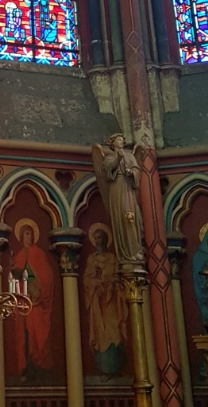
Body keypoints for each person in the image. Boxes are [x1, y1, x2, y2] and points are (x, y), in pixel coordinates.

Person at [10, 220, 55, 382]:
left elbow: (47, 278)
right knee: (25, 335)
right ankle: (27, 369)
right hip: (24, 302)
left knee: (38, 336)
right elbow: (16, 279)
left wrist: (37, 290)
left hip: (37, 303)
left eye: (31, 233)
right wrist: (17, 274)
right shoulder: (19, 256)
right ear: (21, 236)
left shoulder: (38, 254)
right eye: (26, 234)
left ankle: (40, 367)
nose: (29, 237)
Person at [91, 134, 144, 263]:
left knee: (131, 217)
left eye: (123, 140)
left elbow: (137, 170)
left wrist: (132, 172)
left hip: (128, 186)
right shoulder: (109, 157)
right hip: (116, 187)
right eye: (119, 139)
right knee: (121, 217)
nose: (122, 141)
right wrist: (118, 158)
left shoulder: (130, 156)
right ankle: (125, 252)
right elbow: (108, 172)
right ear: (113, 142)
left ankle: (135, 250)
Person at [83, 227, 127, 381]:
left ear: (106, 240)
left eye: (101, 238)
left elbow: (118, 278)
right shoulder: (91, 259)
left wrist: (110, 285)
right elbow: (87, 280)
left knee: (114, 331)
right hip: (97, 302)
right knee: (100, 334)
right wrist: (95, 283)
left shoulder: (112, 258)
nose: (98, 241)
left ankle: (115, 367)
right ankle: (105, 369)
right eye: (96, 238)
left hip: (112, 301)